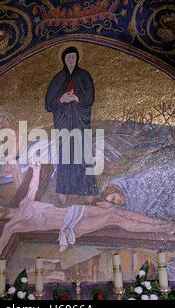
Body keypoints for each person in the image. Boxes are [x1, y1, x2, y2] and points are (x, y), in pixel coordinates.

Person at [0, 161, 175, 267]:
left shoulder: (25, 202)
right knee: (113, 218)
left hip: (74, 211)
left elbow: (34, 183)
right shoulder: (12, 225)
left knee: (114, 210)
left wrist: (35, 168)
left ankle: (165, 225)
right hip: (72, 227)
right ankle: (166, 228)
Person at [45, 46, 98, 205]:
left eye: (73, 57)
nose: (70, 60)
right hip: (64, 122)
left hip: (81, 122)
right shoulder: (57, 78)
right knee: (65, 155)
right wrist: (62, 99)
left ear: (77, 58)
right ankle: (63, 191)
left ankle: (88, 190)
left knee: (84, 153)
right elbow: (49, 103)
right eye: (68, 57)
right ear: (63, 59)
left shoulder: (84, 76)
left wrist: (76, 98)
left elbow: (89, 98)